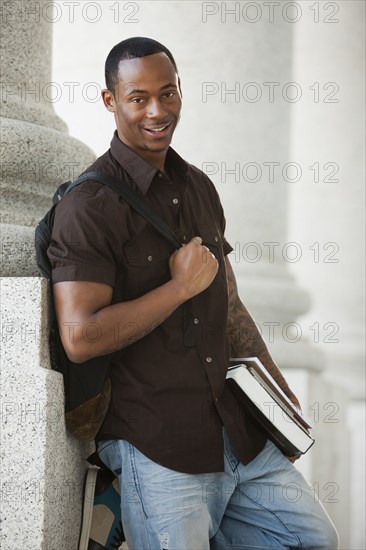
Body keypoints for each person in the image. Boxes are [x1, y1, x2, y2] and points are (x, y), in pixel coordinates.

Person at [48, 37, 339, 550]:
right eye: (138, 98)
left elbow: (228, 303)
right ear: (110, 101)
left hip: (236, 431)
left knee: (310, 539)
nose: (157, 111)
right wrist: (180, 287)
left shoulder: (199, 187)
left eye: (169, 93)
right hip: (156, 441)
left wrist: (276, 403)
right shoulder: (89, 205)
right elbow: (80, 335)